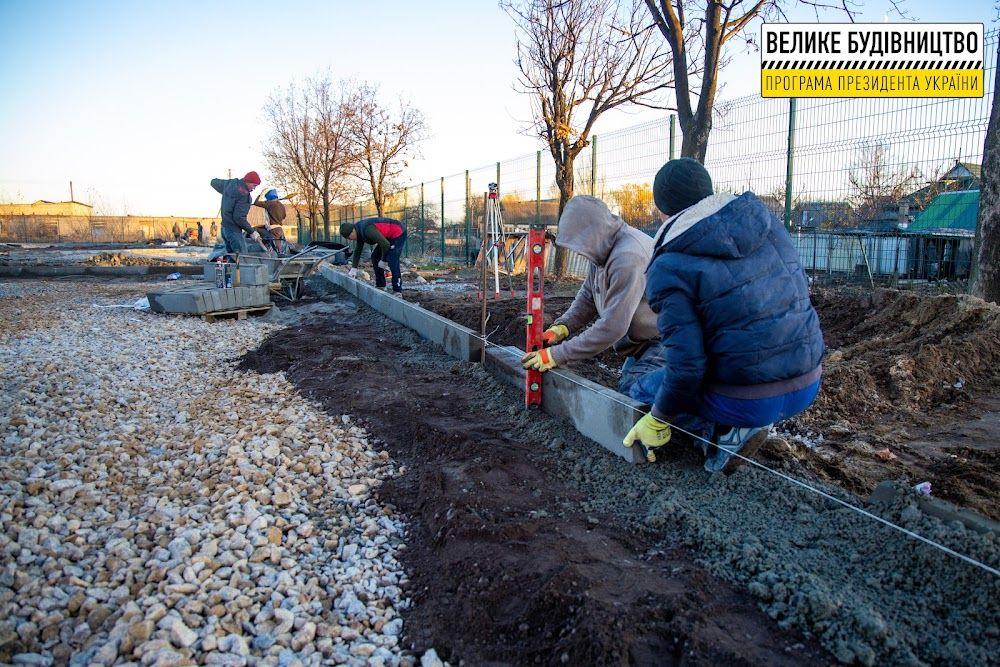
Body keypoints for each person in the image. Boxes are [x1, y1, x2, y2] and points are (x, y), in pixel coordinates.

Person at [620, 158, 824, 472]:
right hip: (807, 382)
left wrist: (658, 418)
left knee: (636, 388)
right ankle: (732, 425)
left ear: (662, 209)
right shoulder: (769, 226)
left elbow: (687, 367)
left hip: (749, 400)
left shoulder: (669, 264)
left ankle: (721, 433)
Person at [520, 195, 658, 377]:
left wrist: (556, 355)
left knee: (636, 390)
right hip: (643, 342)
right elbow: (589, 296)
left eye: (579, 244)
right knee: (630, 385)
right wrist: (563, 327)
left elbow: (613, 327)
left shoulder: (628, 258)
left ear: (591, 234)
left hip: (667, 342)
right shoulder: (604, 246)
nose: (578, 252)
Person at [340, 217, 407, 294]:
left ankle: (397, 290)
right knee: (375, 257)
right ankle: (380, 285)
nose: (349, 239)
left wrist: (383, 260)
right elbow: (358, 250)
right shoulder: (359, 231)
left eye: (348, 237)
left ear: (352, 231)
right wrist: (353, 268)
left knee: (392, 259)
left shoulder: (367, 230)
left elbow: (386, 245)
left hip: (398, 232)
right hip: (386, 237)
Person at [210, 171, 263, 255]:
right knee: (242, 257)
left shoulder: (230, 184)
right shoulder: (244, 196)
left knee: (232, 256)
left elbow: (213, 182)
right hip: (234, 231)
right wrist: (252, 232)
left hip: (224, 229)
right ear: (248, 181)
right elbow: (239, 218)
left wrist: (227, 188)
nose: (254, 188)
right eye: (254, 185)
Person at [253, 188, 287, 253]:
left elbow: (256, 202)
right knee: (278, 245)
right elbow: (284, 216)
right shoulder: (282, 205)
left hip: (273, 229)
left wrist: (260, 194)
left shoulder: (269, 203)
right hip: (279, 228)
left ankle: (265, 249)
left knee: (255, 230)